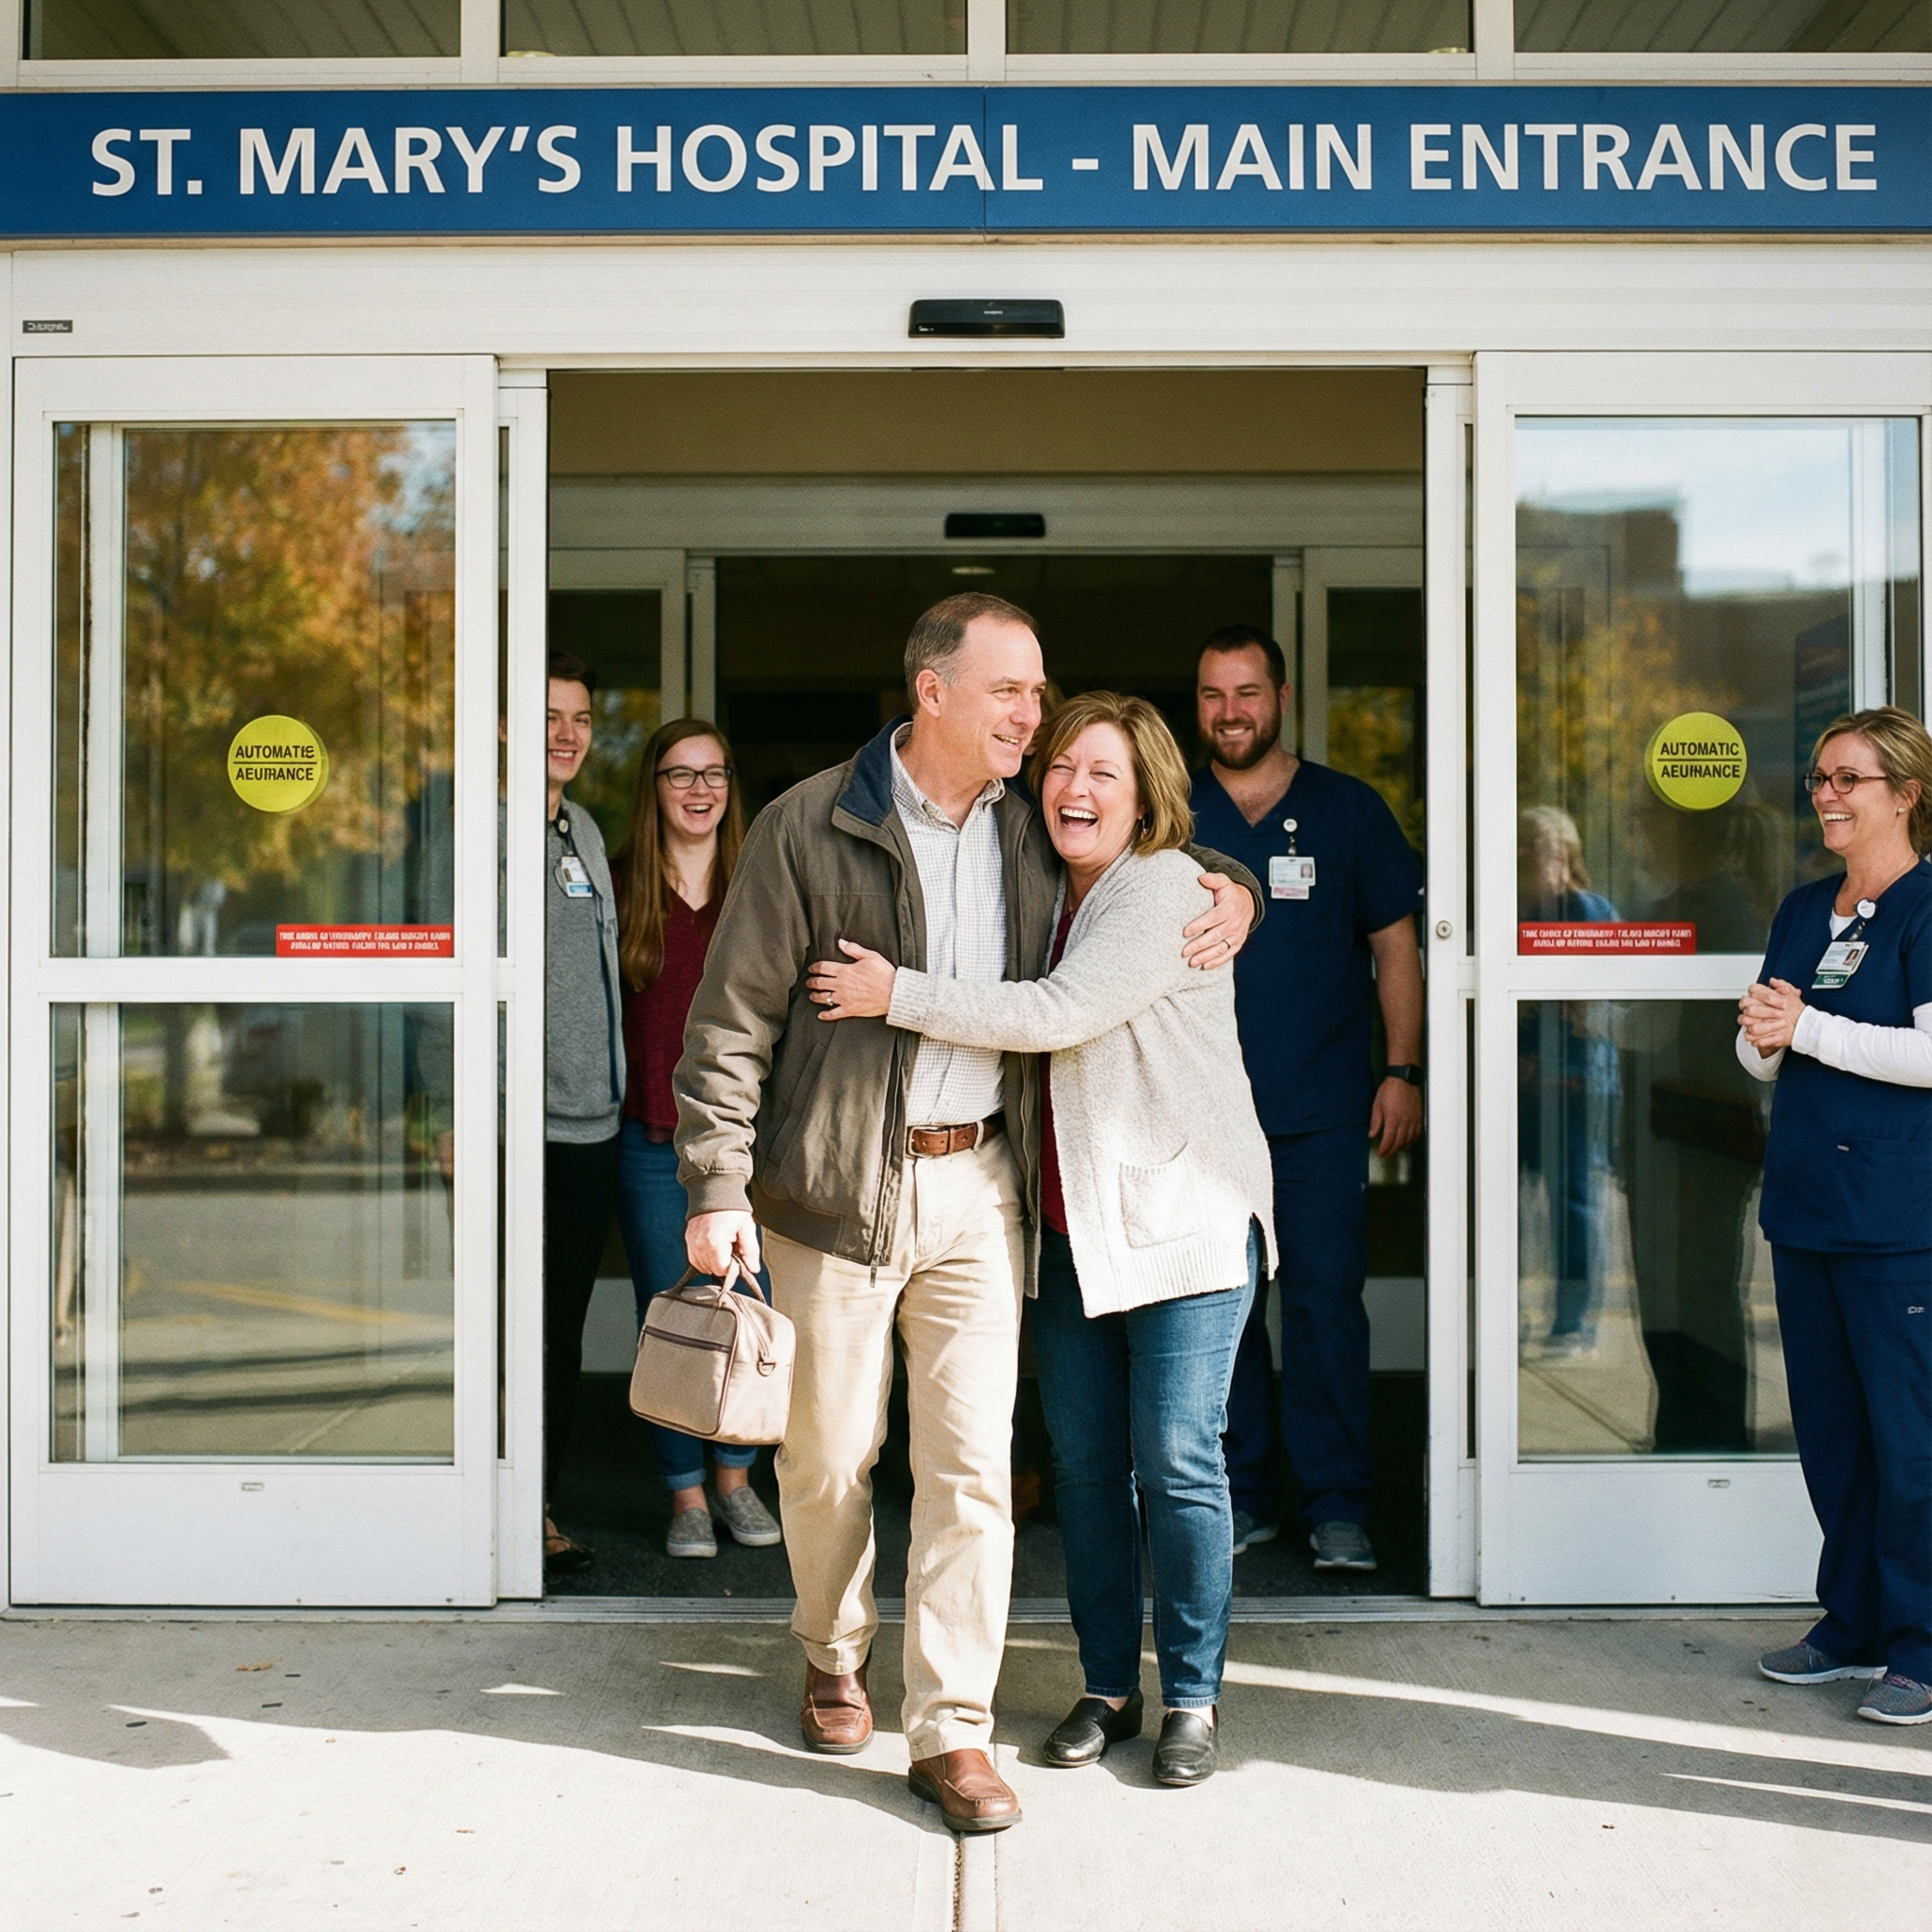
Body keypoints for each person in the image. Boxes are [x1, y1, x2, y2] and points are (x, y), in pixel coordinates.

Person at [674, 591, 1262, 1835]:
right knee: (828, 1461)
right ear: (931, 690)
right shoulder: (805, 827)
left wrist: (1238, 884)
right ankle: (834, 1649)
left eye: (1040, 695)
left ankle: (950, 1726)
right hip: (833, 1184)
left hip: (980, 1187)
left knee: (974, 1475)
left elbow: (1147, 863)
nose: (1033, 719)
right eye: (1011, 692)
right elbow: (730, 1023)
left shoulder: (1029, 837)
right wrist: (716, 1183)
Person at [808, 691, 1274, 1788]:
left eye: (1103, 772)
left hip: (1184, 1227)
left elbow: (1056, 1011)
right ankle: (1108, 1684)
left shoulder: (1162, 888)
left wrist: (894, 992)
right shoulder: (1037, 884)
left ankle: (1192, 1696)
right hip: (1072, 1230)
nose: (1074, 787)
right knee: (1080, 1467)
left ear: (1146, 791)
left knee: (1175, 1458)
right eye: (1062, 766)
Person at [1189, 625, 1424, 1574]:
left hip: (1322, 1106)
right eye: (1211, 693)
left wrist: (1399, 1069)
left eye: (1246, 691)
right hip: (1198, 1111)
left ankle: (1334, 1501)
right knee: (1220, 1306)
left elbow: (1395, 948)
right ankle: (1240, 1491)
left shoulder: (1346, 808)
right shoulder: (1173, 808)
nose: (1230, 710)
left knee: (1326, 1304)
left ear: (1280, 695)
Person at [1738, 705, 1932, 1726]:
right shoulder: (1807, 904)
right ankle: (1849, 1623)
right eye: (1817, 777)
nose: (1824, 794)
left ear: (1903, 792)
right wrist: (1767, 1036)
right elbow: (1762, 1041)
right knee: (1832, 1434)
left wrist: (1804, 1027)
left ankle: (1919, 1644)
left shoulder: (1925, 905)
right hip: (1807, 1207)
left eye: (1847, 778)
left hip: (1895, 1217)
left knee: (1908, 1442)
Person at [611, 718, 782, 1561]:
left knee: (749, 1307)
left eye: (714, 773)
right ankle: (683, 1493)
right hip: (650, 1141)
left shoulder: (760, 884)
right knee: (673, 1314)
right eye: (680, 774)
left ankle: (737, 1480)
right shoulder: (617, 888)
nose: (699, 789)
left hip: (748, 1150)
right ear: (655, 790)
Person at [541, 650, 625, 1577]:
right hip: (515, 1125)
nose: (567, 734)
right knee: (512, 1325)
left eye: (580, 717)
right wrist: (453, 1111)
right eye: (548, 715)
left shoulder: (587, 831)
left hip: (591, 1122)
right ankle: (509, 1503)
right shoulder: (479, 833)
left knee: (558, 1326)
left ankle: (539, 1499)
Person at [1518, 806, 1622, 1355]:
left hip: (1577, 1080)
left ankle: (1573, 1321)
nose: (1526, 862)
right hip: (1524, 1079)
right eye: (1520, 852)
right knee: (1503, 1200)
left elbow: (1593, 1003)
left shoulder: (1586, 911)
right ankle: (1501, 1313)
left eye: (1536, 851)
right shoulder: (1518, 911)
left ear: (1564, 856)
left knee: (1572, 1201)